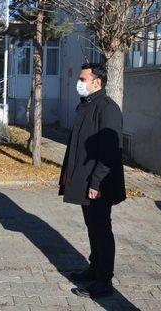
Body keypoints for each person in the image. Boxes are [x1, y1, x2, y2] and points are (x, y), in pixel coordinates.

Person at [59, 63, 126, 299]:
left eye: (82, 78)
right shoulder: (87, 105)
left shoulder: (107, 108)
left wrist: (96, 183)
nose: (79, 82)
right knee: (92, 228)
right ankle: (94, 268)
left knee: (102, 230)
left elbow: (109, 151)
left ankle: (104, 282)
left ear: (96, 82)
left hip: (99, 184)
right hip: (85, 179)